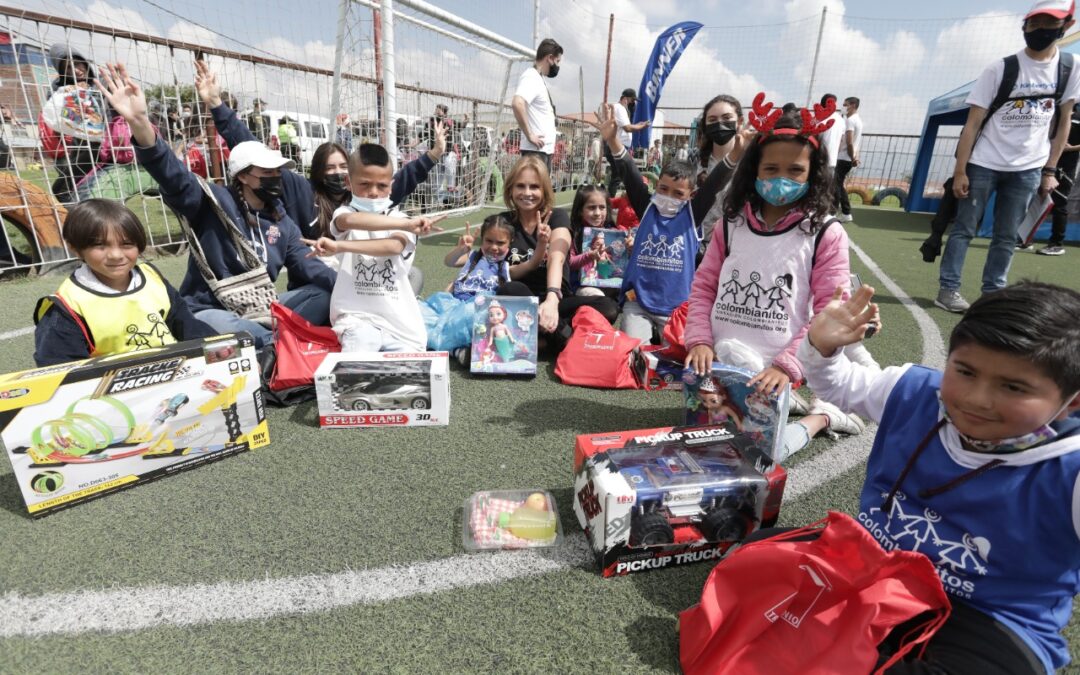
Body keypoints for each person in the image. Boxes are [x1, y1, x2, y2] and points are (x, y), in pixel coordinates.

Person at [801, 281, 1080, 675]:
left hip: (987, 615)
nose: (975, 399)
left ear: (1073, 400)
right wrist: (821, 346)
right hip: (875, 566)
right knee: (759, 557)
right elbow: (840, 385)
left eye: (1013, 387)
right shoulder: (916, 392)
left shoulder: (1070, 469)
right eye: (965, 371)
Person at [98, 62, 335, 349]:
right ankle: (277, 344)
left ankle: (274, 344)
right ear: (244, 176)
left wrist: (350, 288)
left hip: (260, 309)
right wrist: (140, 124)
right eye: (268, 172)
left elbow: (309, 265)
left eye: (278, 172)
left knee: (321, 296)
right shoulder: (213, 203)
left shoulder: (282, 222)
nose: (277, 178)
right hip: (211, 309)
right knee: (233, 331)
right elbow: (173, 175)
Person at [684, 102, 865, 461]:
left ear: (814, 173)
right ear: (753, 170)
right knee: (703, 439)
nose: (780, 178)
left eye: (795, 170)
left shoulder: (824, 233)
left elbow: (828, 312)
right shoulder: (730, 225)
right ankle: (792, 403)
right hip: (721, 366)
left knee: (762, 454)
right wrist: (700, 341)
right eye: (770, 168)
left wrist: (785, 366)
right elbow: (703, 288)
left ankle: (822, 417)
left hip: (775, 370)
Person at [937, 1, 1080, 312]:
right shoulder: (1000, 68)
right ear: (1024, 26)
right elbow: (972, 123)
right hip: (984, 163)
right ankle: (948, 289)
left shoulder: (1070, 68)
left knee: (1007, 236)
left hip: (1028, 168)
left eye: (1049, 23)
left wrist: (1050, 169)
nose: (1040, 30)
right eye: (1034, 23)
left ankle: (993, 294)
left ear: (1066, 25)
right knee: (964, 228)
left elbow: (1065, 119)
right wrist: (961, 170)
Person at [594, 102, 738, 344]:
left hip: (676, 309)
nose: (668, 196)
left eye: (678, 193)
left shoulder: (692, 213)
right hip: (637, 303)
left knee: (679, 359)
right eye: (663, 189)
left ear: (691, 196)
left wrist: (736, 154)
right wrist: (612, 141)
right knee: (635, 353)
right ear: (656, 186)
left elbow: (714, 184)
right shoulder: (648, 205)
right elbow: (629, 172)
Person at [33, 199, 214, 366]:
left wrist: (219, 345)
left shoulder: (152, 278)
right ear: (75, 249)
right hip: (114, 392)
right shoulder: (67, 305)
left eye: (127, 245)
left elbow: (186, 325)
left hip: (174, 370)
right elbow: (59, 368)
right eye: (100, 246)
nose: (116, 255)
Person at [305, 143, 428, 352]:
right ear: (348, 182)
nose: (373, 193)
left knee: (408, 378)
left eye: (381, 186)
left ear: (392, 184)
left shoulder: (401, 217)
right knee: (358, 363)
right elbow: (351, 220)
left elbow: (393, 246)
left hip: (400, 326)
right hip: (356, 318)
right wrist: (406, 225)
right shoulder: (342, 213)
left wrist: (339, 246)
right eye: (364, 184)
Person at [497, 155, 619, 350]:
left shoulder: (557, 216)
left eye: (534, 187)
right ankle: (564, 340)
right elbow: (493, 265)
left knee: (608, 307)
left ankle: (540, 341)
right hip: (523, 299)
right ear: (510, 189)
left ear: (544, 190)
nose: (527, 193)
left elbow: (557, 257)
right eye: (520, 186)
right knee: (509, 291)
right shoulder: (502, 222)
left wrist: (552, 299)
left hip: (557, 299)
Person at [38, 44, 103, 205]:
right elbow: (62, 118)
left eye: (78, 63)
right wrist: (74, 95)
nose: (76, 70)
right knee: (66, 189)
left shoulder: (101, 85)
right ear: (61, 71)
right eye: (68, 67)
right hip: (76, 149)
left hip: (105, 146)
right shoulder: (58, 92)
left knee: (64, 189)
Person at [694, 94, 756, 244]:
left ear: (740, 121)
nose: (720, 124)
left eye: (727, 118)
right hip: (695, 244)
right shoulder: (693, 160)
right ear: (706, 126)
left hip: (734, 245)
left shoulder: (751, 163)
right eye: (713, 120)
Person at [512, 38, 562, 170]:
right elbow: (517, 103)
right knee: (534, 190)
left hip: (542, 151)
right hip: (535, 152)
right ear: (550, 58)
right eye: (557, 61)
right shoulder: (531, 76)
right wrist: (530, 135)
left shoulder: (539, 79)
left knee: (542, 191)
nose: (557, 66)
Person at [1041, 102, 1080, 256]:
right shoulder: (1052, 114)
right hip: (1043, 162)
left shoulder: (1077, 117)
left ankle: (1056, 244)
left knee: (1059, 204)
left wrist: (1070, 148)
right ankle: (1024, 240)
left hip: (1066, 166)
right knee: (1033, 202)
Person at [607, 88, 651, 196]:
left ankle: (610, 199)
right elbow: (627, 128)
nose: (633, 103)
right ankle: (610, 201)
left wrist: (639, 124)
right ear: (625, 99)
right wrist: (642, 126)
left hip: (617, 145)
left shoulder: (618, 108)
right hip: (617, 146)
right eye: (632, 100)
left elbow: (626, 126)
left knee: (618, 175)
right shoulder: (620, 108)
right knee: (618, 175)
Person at [833, 96, 862, 224]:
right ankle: (845, 212)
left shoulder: (850, 121)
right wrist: (854, 157)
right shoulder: (858, 120)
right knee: (839, 185)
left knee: (836, 185)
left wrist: (852, 158)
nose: (843, 107)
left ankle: (836, 212)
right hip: (848, 158)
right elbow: (855, 143)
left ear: (853, 105)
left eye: (845, 105)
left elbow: (850, 142)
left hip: (844, 158)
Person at [818, 93, 844, 174]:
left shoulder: (818, 118)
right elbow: (841, 141)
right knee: (827, 185)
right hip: (832, 160)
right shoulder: (840, 120)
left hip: (818, 159)